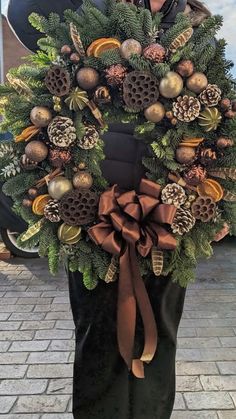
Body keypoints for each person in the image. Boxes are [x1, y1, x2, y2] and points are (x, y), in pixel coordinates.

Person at [7, 1, 211, 418]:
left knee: (159, 340)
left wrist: (216, 201)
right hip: (91, 218)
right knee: (99, 340)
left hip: (167, 222)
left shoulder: (192, 26)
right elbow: (21, 11)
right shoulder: (85, 13)